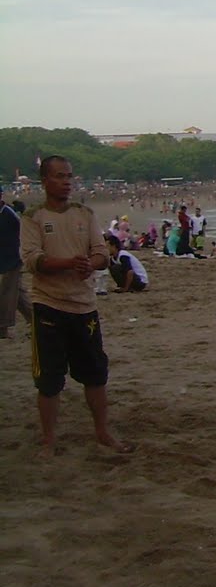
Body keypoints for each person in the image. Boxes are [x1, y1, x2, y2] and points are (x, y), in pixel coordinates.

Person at [19, 156, 131, 453]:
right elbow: (33, 260)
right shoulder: (33, 217)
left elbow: (101, 253)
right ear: (45, 181)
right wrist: (69, 263)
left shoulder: (85, 214)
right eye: (59, 176)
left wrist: (89, 265)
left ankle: (102, 431)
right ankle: (48, 438)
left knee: (95, 373)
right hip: (48, 305)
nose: (67, 182)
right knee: (49, 378)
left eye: (69, 176)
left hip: (84, 306)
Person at [0, 191, 30, 338]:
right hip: (4, 259)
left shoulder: (9, 214)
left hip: (13, 259)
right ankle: (35, 320)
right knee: (17, 294)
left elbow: (24, 233)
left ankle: (2, 329)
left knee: (7, 292)